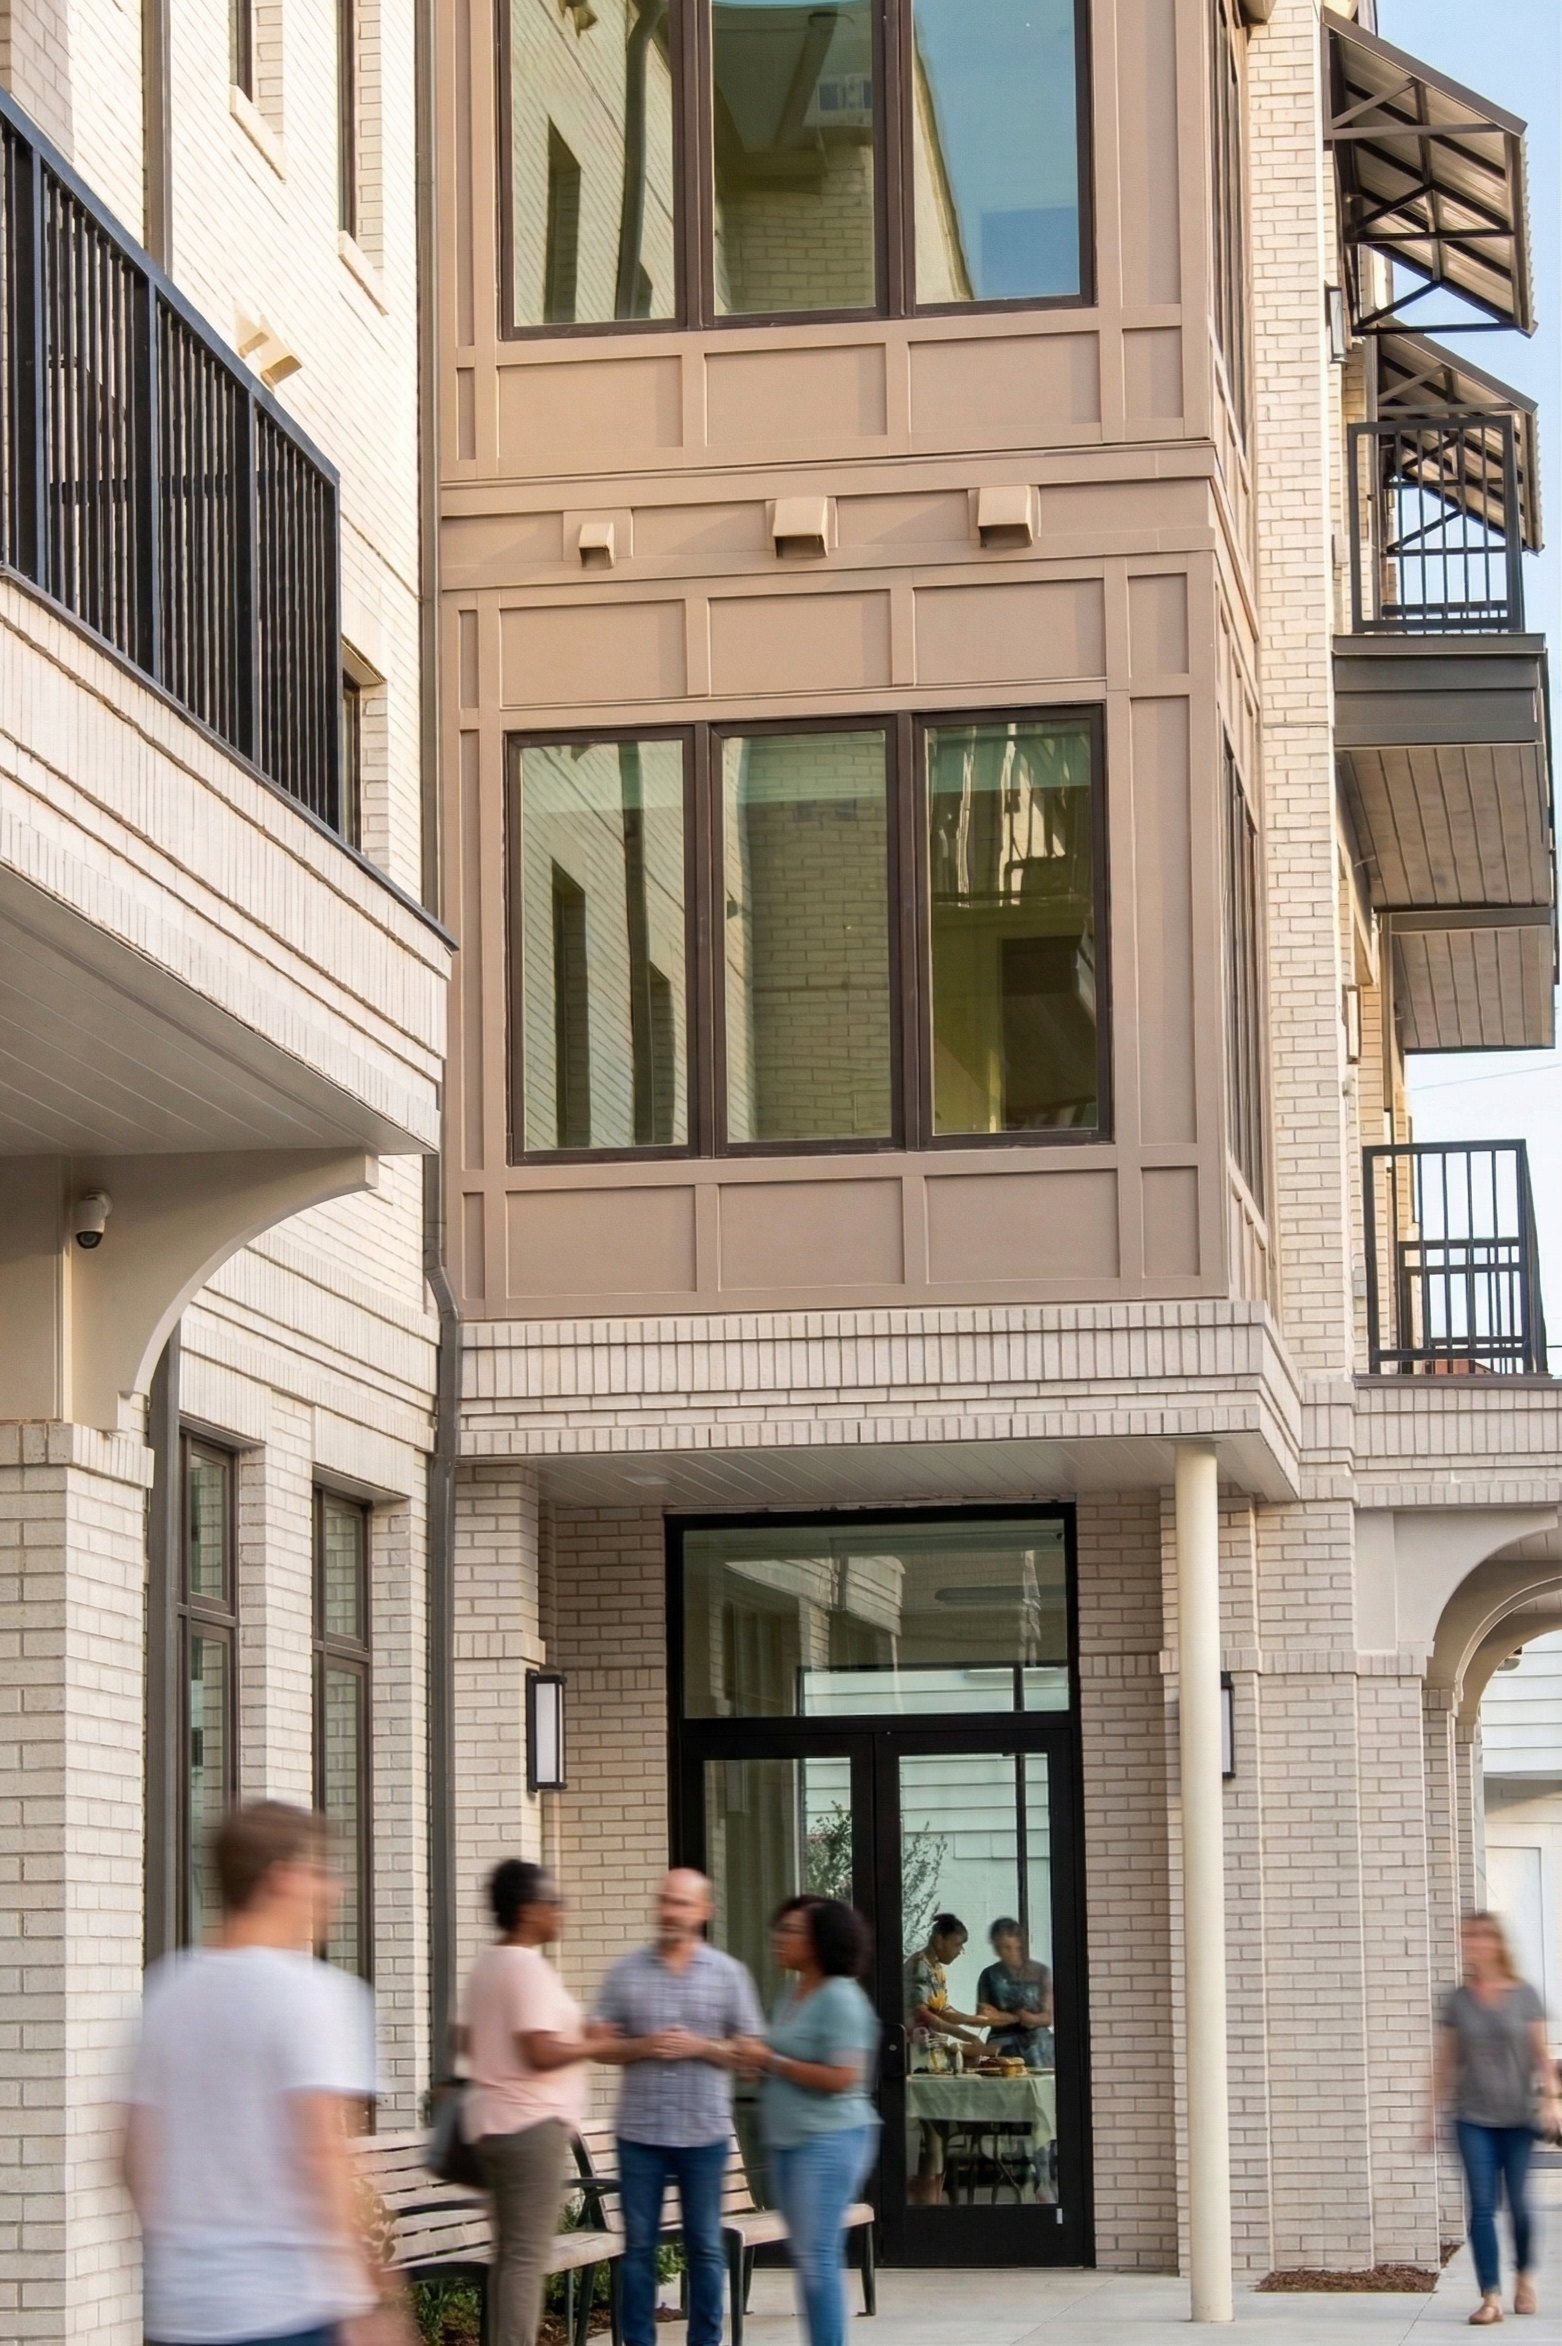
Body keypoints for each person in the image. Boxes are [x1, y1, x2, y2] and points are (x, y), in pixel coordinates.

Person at [123, 1800, 408, 2346]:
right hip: (288, 2309)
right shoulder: (316, 1995)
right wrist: (374, 2297)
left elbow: (130, 2157)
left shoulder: (163, 1995)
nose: (335, 1890)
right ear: (284, 1878)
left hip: (179, 2312)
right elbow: (324, 2155)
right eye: (322, 1871)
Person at [591, 1869, 765, 2346]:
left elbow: (753, 2055)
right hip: (639, 2134)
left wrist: (702, 2047)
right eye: (666, 1901)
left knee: (705, 2246)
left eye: (682, 1903)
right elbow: (596, 2043)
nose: (670, 1911)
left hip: (703, 2134)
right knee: (638, 2250)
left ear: (704, 1910)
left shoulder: (728, 1974)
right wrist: (643, 2045)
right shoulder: (626, 1972)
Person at [459, 1860, 619, 2346]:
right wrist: (593, 2043)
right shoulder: (525, 1967)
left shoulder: (488, 1965)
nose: (561, 1911)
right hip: (529, 2128)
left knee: (512, 2256)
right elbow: (539, 2051)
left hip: (494, 2124)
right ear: (529, 1910)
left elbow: (464, 2039)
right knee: (526, 2258)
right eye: (554, 1901)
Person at [737, 1898, 879, 2346]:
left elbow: (844, 2076)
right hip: (788, 2142)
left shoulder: (840, 1997)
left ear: (819, 1941)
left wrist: (770, 2061)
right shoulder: (792, 1993)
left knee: (817, 2256)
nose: (778, 1938)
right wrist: (757, 2065)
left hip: (830, 2139)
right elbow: (782, 2058)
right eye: (779, 1928)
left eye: (791, 1930)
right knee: (808, 2255)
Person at [1428, 1910, 1559, 2325]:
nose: (1475, 1943)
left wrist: (1552, 2101)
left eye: (1484, 1936)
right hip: (1472, 2118)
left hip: (1519, 2118)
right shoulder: (1458, 2000)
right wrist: (1429, 2113)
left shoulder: (1524, 1995)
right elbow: (1445, 2062)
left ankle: (1524, 2277)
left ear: (1498, 1943)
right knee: (1482, 2207)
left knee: (1518, 2205)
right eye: (1469, 1937)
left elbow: (1541, 2055)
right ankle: (1491, 2297)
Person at [975, 1917, 1054, 2070]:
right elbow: (983, 2017)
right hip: (1002, 2044)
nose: (1002, 1952)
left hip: (1038, 2046)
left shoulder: (1040, 1972)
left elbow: (1049, 2016)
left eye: (1007, 1947)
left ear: (1019, 1943)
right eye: (998, 1947)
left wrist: (1003, 2016)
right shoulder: (989, 1975)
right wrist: (1020, 2017)